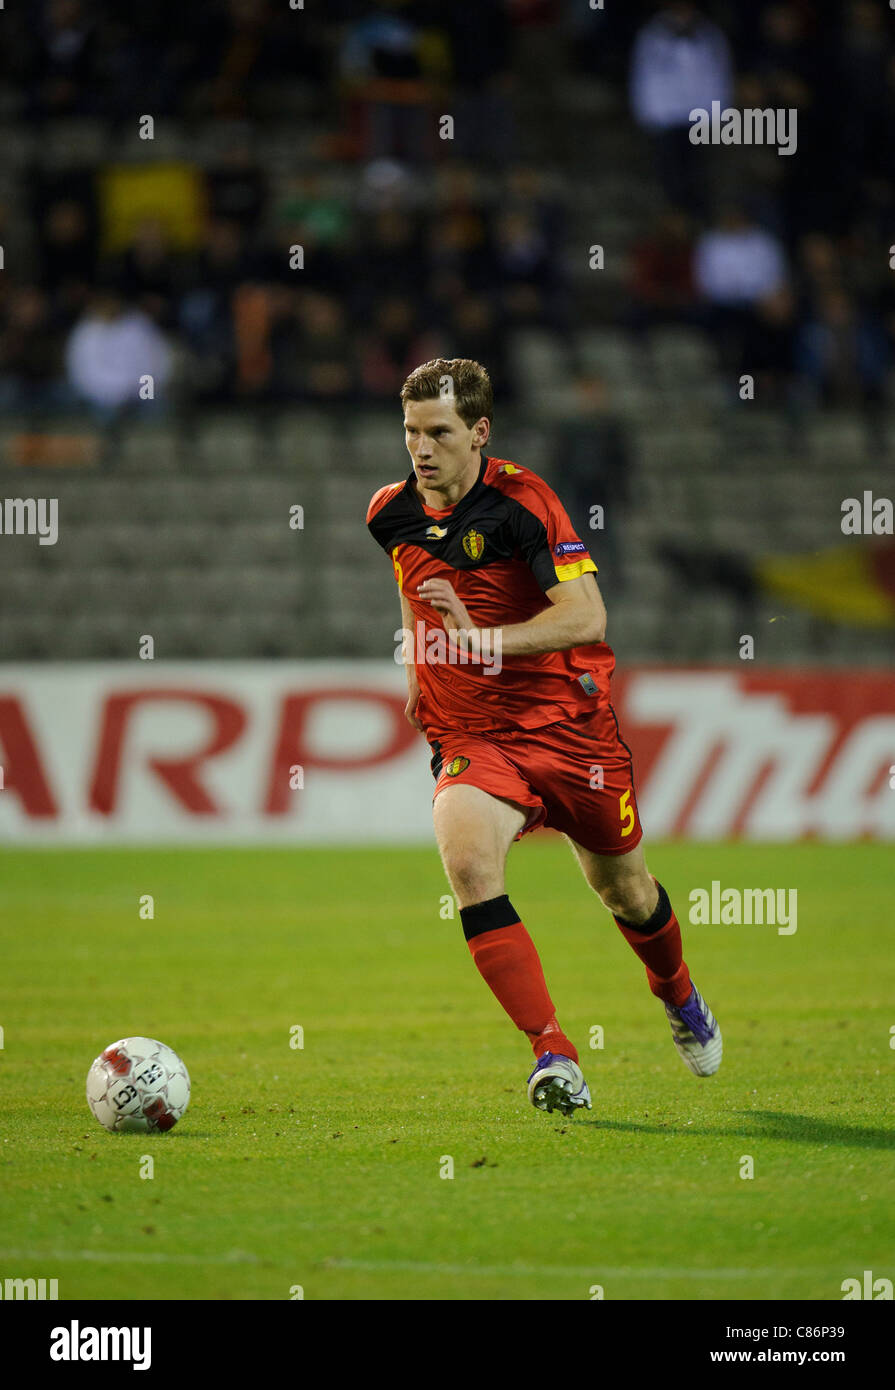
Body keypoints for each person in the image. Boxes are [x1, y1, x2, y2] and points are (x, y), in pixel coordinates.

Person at [366, 357, 722, 1117]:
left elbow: (586, 617)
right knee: (467, 863)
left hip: (569, 732)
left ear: (479, 432)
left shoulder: (525, 505)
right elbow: (409, 583)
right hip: (474, 733)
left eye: (438, 433)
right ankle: (552, 1052)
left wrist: (480, 638)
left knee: (624, 891)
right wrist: (414, 672)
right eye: (409, 432)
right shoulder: (389, 512)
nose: (420, 449)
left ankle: (678, 993)